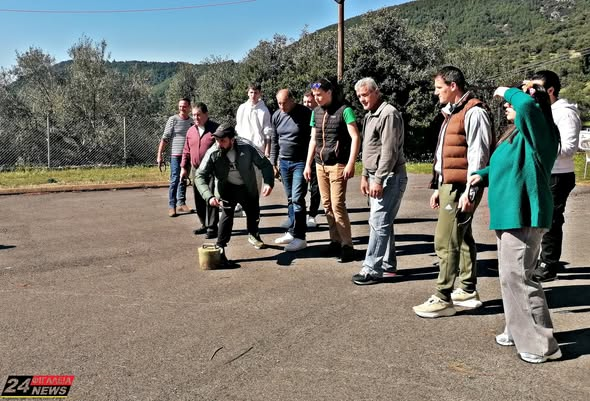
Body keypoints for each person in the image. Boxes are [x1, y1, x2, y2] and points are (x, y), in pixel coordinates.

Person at [467, 83, 561, 364]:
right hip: (509, 214)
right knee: (510, 277)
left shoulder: (541, 130)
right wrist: (482, 174)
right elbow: (504, 163)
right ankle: (517, 330)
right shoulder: (517, 134)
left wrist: (506, 90)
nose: (508, 105)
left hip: (524, 215)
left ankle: (542, 345)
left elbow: (527, 106)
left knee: (519, 277)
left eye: (511, 102)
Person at [413, 66, 493, 318]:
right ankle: (467, 290)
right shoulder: (453, 112)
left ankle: (442, 297)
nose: (435, 92)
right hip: (450, 184)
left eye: (439, 88)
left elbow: (478, 155)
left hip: (462, 187)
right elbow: (444, 155)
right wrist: (439, 185)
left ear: (453, 86)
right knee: (463, 236)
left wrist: (471, 192)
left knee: (445, 240)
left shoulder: (474, 112)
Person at [351, 78, 408, 285]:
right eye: (359, 96)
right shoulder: (370, 115)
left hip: (389, 177)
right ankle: (387, 265)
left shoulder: (388, 114)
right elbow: (370, 149)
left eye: (365, 94)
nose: (362, 99)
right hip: (376, 176)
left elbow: (389, 152)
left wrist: (378, 179)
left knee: (378, 223)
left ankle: (371, 269)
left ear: (377, 92)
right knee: (383, 222)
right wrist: (365, 176)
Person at [527, 70, 582, 282]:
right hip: (542, 172)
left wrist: (541, 146)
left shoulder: (565, 113)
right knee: (538, 219)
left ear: (550, 90)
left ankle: (548, 265)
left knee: (550, 220)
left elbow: (569, 148)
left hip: (558, 175)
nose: (532, 93)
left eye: (537, 88)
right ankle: (539, 261)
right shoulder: (540, 110)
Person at [196, 124, 274, 266]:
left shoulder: (247, 147)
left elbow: (265, 164)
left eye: (223, 140)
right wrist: (209, 196)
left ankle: (253, 234)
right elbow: (199, 176)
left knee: (253, 212)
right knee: (226, 215)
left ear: (232, 139)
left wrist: (269, 182)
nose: (219, 143)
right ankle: (220, 248)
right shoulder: (213, 152)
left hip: (246, 186)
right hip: (226, 188)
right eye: (217, 140)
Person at [304, 78, 361, 263]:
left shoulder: (345, 110)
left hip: (338, 164)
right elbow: (313, 140)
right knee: (327, 205)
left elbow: (355, 137)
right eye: (314, 95)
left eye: (319, 95)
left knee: (337, 205)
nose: (316, 98)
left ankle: (347, 246)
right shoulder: (315, 112)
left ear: (329, 92)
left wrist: (351, 163)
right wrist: (308, 164)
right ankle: (335, 241)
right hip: (320, 164)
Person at [270, 89, 312, 252]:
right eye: (279, 103)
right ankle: (292, 232)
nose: (281, 106)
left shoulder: (305, 113)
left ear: (292, 100)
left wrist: (310, 163)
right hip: (284, 162)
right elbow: (274, 140)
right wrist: (273, 162)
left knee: (297, 199)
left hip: (300, 162)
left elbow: (313, 138)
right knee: (290, 199)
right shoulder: (276, 115)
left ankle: (300, 238)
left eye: (284, 103)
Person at [180, 103, 220, 239]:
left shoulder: (216, 129)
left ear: (206, 114)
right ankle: (204, 224)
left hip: (212, 171)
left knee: (211, 198)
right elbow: (186, 150)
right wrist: (183, 168)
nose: (195, 118)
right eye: (193, 115)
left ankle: (212, 227)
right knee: (199, 199)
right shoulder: (191, 131)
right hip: (196, 170)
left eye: (198, 115)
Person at [234, 82, 274, 216]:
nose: (253, 95)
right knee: (241, 177)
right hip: (242, 148)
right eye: (251, 92)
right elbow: (238, 128)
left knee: (256, 179)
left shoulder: (264, 110)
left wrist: (267, 150)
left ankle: (253, 207)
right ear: (247, 93)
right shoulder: (242, 108)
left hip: (258, 149)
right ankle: (241, 205)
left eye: (256, 92)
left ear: (260, 93)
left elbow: (267, 132)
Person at [157, 97, 194, 217]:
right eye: (180, 106)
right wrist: (159, 155)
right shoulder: (173, 120)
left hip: (187, 155)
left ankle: (181, 204)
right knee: (175, 180)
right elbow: (165, 138)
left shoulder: (192, 122)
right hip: (175, 155)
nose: (182, 108)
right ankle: (172, 206)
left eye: (184, 106)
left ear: (189, 107)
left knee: (183, 179)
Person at [301, 91, 322, 228]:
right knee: (300, 188)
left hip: (316, 156)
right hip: (302, 156)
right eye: (304, 102)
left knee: (315, 188)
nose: (307, 104)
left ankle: (312, 215)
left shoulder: (319, 114)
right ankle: (299, 215)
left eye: (309, 101)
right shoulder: (300, 115)